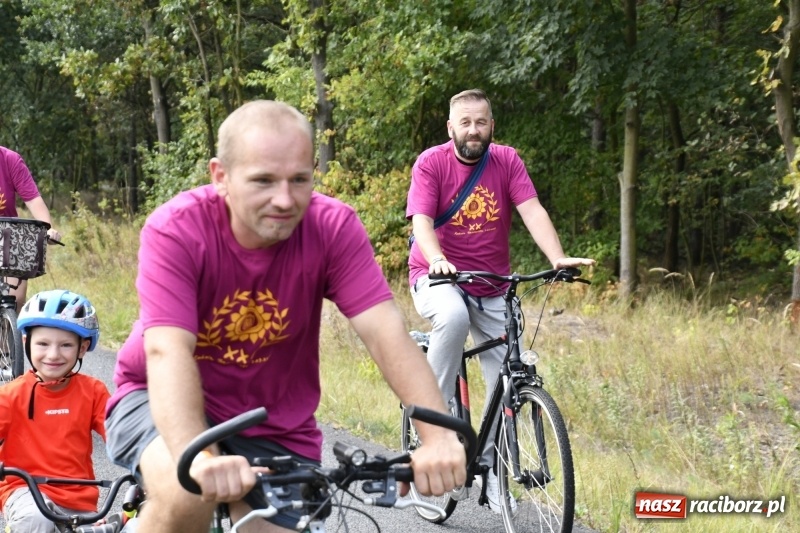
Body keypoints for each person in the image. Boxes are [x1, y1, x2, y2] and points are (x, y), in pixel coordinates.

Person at [104, 99, 467, 533]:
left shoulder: (332, 228)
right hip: (155, 400)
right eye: (263, 181)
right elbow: (166, 351)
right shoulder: (177, 230)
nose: (284, 199)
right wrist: (200, 456)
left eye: (300, 180)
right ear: (220, 177)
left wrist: (437, 436)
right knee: (187, 490)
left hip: (273, 418)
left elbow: (386, 332)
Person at [406, 89, 595, 513]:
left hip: (492, 284)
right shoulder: (431, 163)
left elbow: (531, 209)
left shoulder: (506, 160)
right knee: (452, 318)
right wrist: (437, 260)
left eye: (482, 122)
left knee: (505, 381)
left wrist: (557, 258)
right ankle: (434, 430)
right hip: (439, 276)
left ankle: (492, 472)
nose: (474, 130)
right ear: (451, 127)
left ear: (492, 125)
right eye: (466, 123)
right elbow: (421, 220)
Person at [0, 290, 107, 532]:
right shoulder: (10, 396)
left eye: (66, 345)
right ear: (26, 343)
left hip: (79, 500)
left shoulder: (94, 391)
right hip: (25, 492)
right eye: (43, 344)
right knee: (36, 520)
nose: (53, 355)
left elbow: (122, 433)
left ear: (83, 348)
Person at [0, 146, 62, 311]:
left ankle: (10, 331)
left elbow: (33, 199)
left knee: (14, 300)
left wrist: (47, 228)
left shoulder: (9, 159)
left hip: (7, 238)